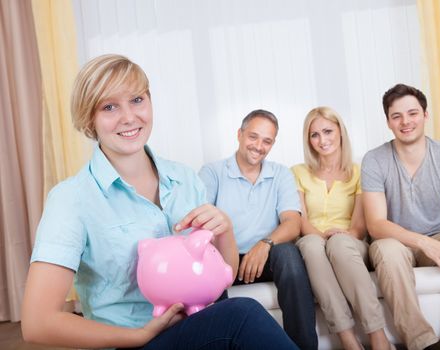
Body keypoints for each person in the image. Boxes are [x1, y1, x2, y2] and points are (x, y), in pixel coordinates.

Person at [21, 54, 298, 350]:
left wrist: (225, 230)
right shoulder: (72, 199)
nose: (129, 117)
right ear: (90, 118)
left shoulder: (185, 178)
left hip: (197, 330)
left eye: (137, 100)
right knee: (242, 315)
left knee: (235, 314)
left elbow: (221, 278)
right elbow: (38, 322)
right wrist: (138, 336)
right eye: (110, 106)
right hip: (134, 342)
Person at [361, 83, 440, 350]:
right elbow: (376, 224)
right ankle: (421, 343)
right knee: (388, 251)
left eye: (413, 113)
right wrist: (424, 243)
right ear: (388, 122)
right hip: (393, 241)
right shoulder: (374, 160)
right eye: (397, 116)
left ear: (425, 115)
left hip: (437, 235)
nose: (406, 122)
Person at [198, 109, 318, 350]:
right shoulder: (212, 172)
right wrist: (228, 256)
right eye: (253, 137)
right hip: (225, 259)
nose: (258, 146)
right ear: (239, 134)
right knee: (207, 264)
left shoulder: (281, 174)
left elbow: (293, 222)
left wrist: (264, 244)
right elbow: (203, 224)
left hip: (266, 257)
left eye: (267, 141)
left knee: (289, 254)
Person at [292, 107, 394, 350]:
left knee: (338, 243)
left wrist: (339, 237)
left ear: (340, 132)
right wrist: (320, 238)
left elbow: (359, 228)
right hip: (312, 243)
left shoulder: (360, 171)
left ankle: (378, 336)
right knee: (311, 244)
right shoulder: (298, 173)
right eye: (314, 135)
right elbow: (300, 221)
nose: (322, 140)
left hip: (350, 243)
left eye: (327, 131)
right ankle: (348, 340)